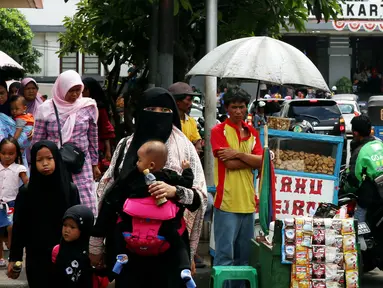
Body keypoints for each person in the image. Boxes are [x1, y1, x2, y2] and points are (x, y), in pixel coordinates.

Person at [90, 87, 207, 288]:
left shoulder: (185, 148)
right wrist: (96, 244)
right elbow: (110, 194)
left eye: (165, 111)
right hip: (129, 246)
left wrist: (175, 192)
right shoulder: (126, 146)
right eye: (152, 109)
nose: (158, 116)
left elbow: (200, 198)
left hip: (169, 246)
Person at [116, 140, 196, 286]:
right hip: (163, 225)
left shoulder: (136, 179)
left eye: (139, 160)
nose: (136, 164)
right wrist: (187, 169)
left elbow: (123, 186)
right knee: (178, 243)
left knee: (120, 231)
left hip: (135, 222)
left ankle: (121, 257)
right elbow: (186, 183)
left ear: (151, 165)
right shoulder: (169, 176)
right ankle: (184, 268)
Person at [8, 140, 80, 287]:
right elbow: (19, 227)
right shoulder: (26, 193)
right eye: (39, 160)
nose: (45, 163)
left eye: (49, 158)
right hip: (37, 256)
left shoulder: (70, 190)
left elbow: (78, 223)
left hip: (65, 254)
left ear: (57, 159)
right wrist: (14, 258)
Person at [210, 87, 263, 288]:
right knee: (225, 256)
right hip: (227, 202)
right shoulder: (218, 131)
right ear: (226, 108)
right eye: (234, 107)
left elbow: (261, 162)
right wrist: (250, 159)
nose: (238, 111)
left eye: (242, 107)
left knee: (244, 258)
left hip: (248, 202)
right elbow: (229, 165)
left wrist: (238, 154)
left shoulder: (253, 133)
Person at [32, 70, 101, 215]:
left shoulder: (88, 106)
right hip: (55, 162)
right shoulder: (46, 109)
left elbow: (93, 137)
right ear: (61, 88)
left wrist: (95, 163)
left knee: (85, 201)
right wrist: (36, 163)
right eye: (71, 91)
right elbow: (37, 142)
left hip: (81, 162)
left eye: (78, 90)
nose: (75, 95)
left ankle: (85, 233)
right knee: (57, 200)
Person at [344, 115, 383, 222]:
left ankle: (360, 236)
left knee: (359, 214)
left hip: (373, 196)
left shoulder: (360, 151)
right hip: (380, 193)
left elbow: (355, 179)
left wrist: (345, 189)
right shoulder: (379, 144)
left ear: (355, 133)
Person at [0, 137, 28, 267]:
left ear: (17, 154)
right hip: (0, 204)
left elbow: (27, 183)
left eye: (11, 154)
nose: (7, 157)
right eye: (3, 153)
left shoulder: (19, 168)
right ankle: (0, 257)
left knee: (12, 226)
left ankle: (12, 251)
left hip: (12, 203)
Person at [52, 205, 94, 288]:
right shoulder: (58, 250)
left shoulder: (91, 254)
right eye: (64, 225)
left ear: (83, 230)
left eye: (72, 227)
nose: (67, 230)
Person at [82, 77, 115, 167]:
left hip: (97, 146)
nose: (81, 93)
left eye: (84, 90)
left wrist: (108, 150)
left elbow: (105, 129)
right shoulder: (80, 105)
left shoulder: (99, 108)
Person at [168, 82, 203, 154]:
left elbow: (197, 142)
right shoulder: (166, 121)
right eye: (188, 100)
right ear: (177, 101)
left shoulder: (191, 121)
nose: (191, 103)